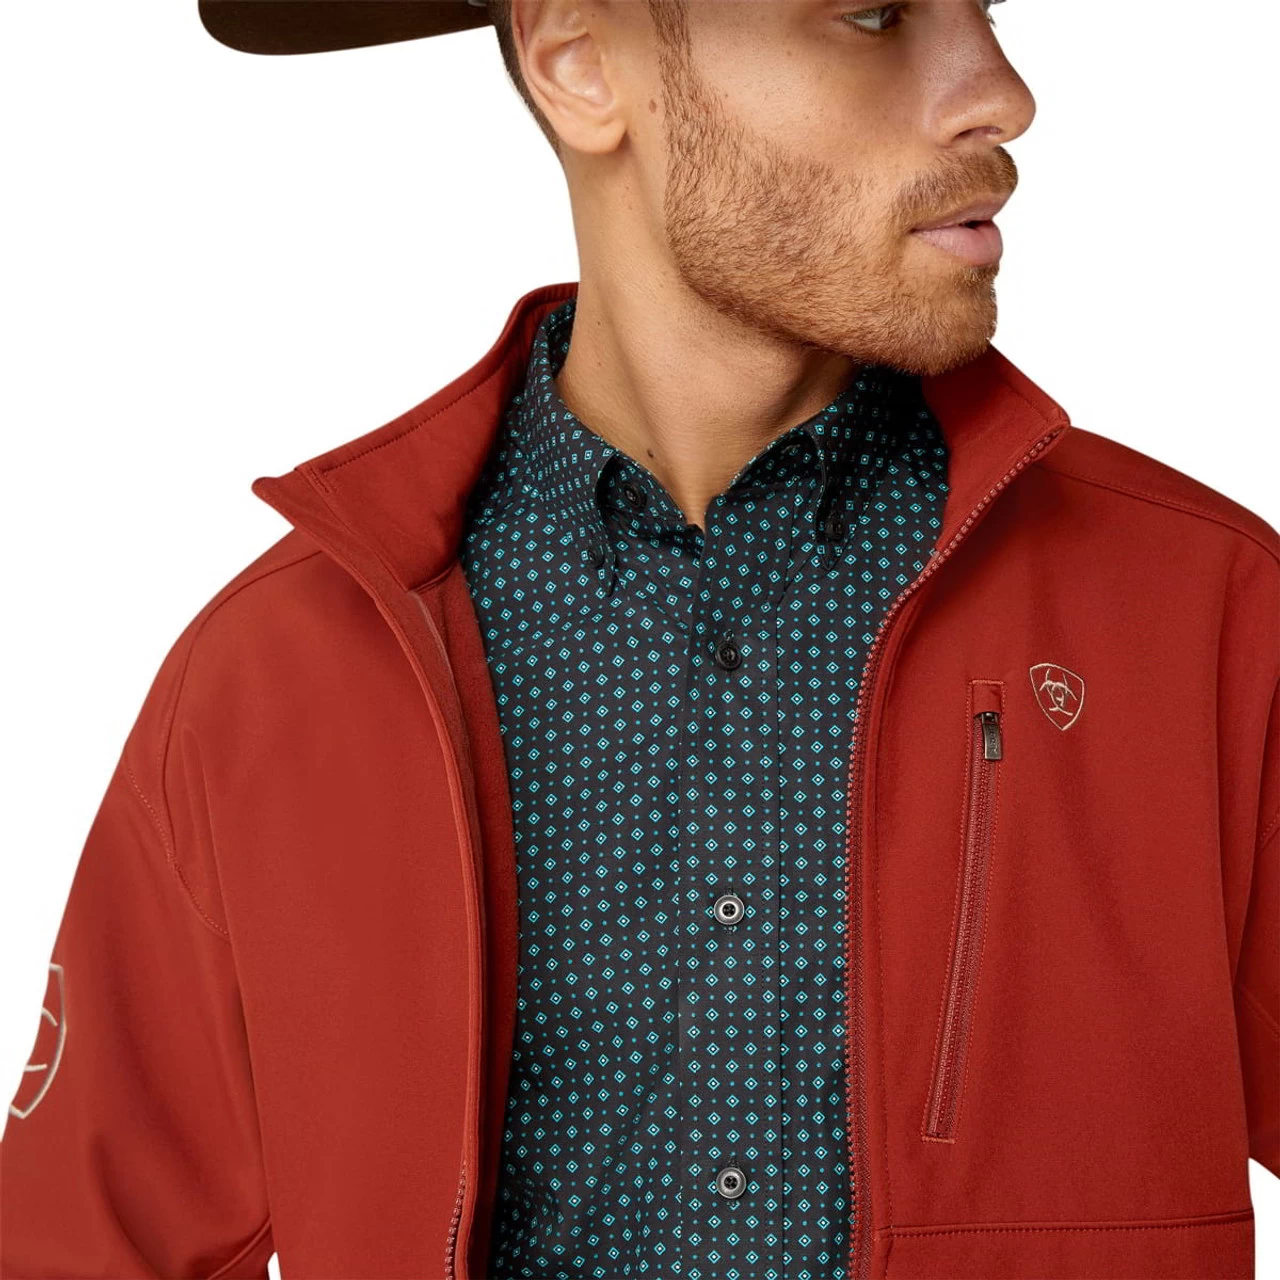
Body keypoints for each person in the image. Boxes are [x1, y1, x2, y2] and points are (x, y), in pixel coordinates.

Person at [2, 3, 1276, 1278]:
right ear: (579, 62)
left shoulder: (1204, 615)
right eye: (873, 13)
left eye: (983, 8)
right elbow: (83, 1244)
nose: (1001, 94)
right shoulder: (279, 678)